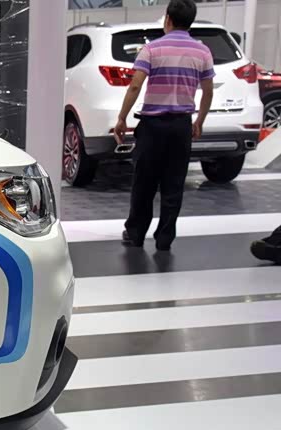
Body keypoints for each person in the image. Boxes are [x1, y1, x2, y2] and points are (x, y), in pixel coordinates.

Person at [114, 0, 214, 252]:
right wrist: (199, 121)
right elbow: (208, 91)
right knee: (174, 183)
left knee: (144, 182)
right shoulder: (202, 52)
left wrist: (122, 118)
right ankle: (165, 237)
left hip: (153, 126)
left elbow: (135, 86)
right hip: (181, 126)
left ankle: (136, 233)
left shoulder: (152, 49)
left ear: (168, 18)